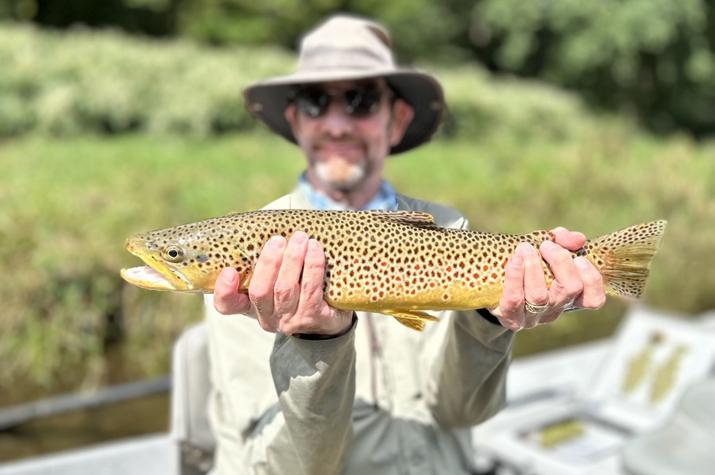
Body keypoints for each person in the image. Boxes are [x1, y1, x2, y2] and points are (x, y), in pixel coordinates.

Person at [204, 14, 606, 475]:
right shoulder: (251, 251)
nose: (337, 124)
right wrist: (315, 342)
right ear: (295, 120)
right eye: (316, 101)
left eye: (359, 100)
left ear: (395, 120)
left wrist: (491, 316)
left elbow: (462, 411)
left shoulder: (447, 227)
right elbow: (283, 467)